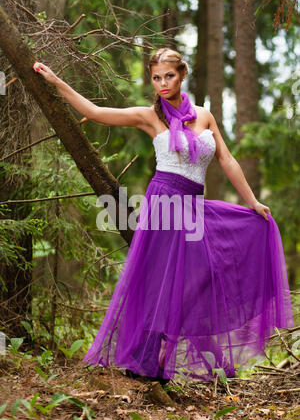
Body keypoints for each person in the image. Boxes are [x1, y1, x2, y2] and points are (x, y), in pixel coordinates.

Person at [33, 47, 294, 385]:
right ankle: (153, 354)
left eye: (168, 76)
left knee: (204, 275)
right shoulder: (149, 116)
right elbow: (95, 112)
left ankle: (177, 348)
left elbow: (227, 160)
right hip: (165, 204)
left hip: (194, 205)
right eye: (156, 78)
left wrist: (253, 201)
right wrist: (56, 81)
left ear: (182, 75)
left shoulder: (205, 116)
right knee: (163, 281)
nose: (162, 83)